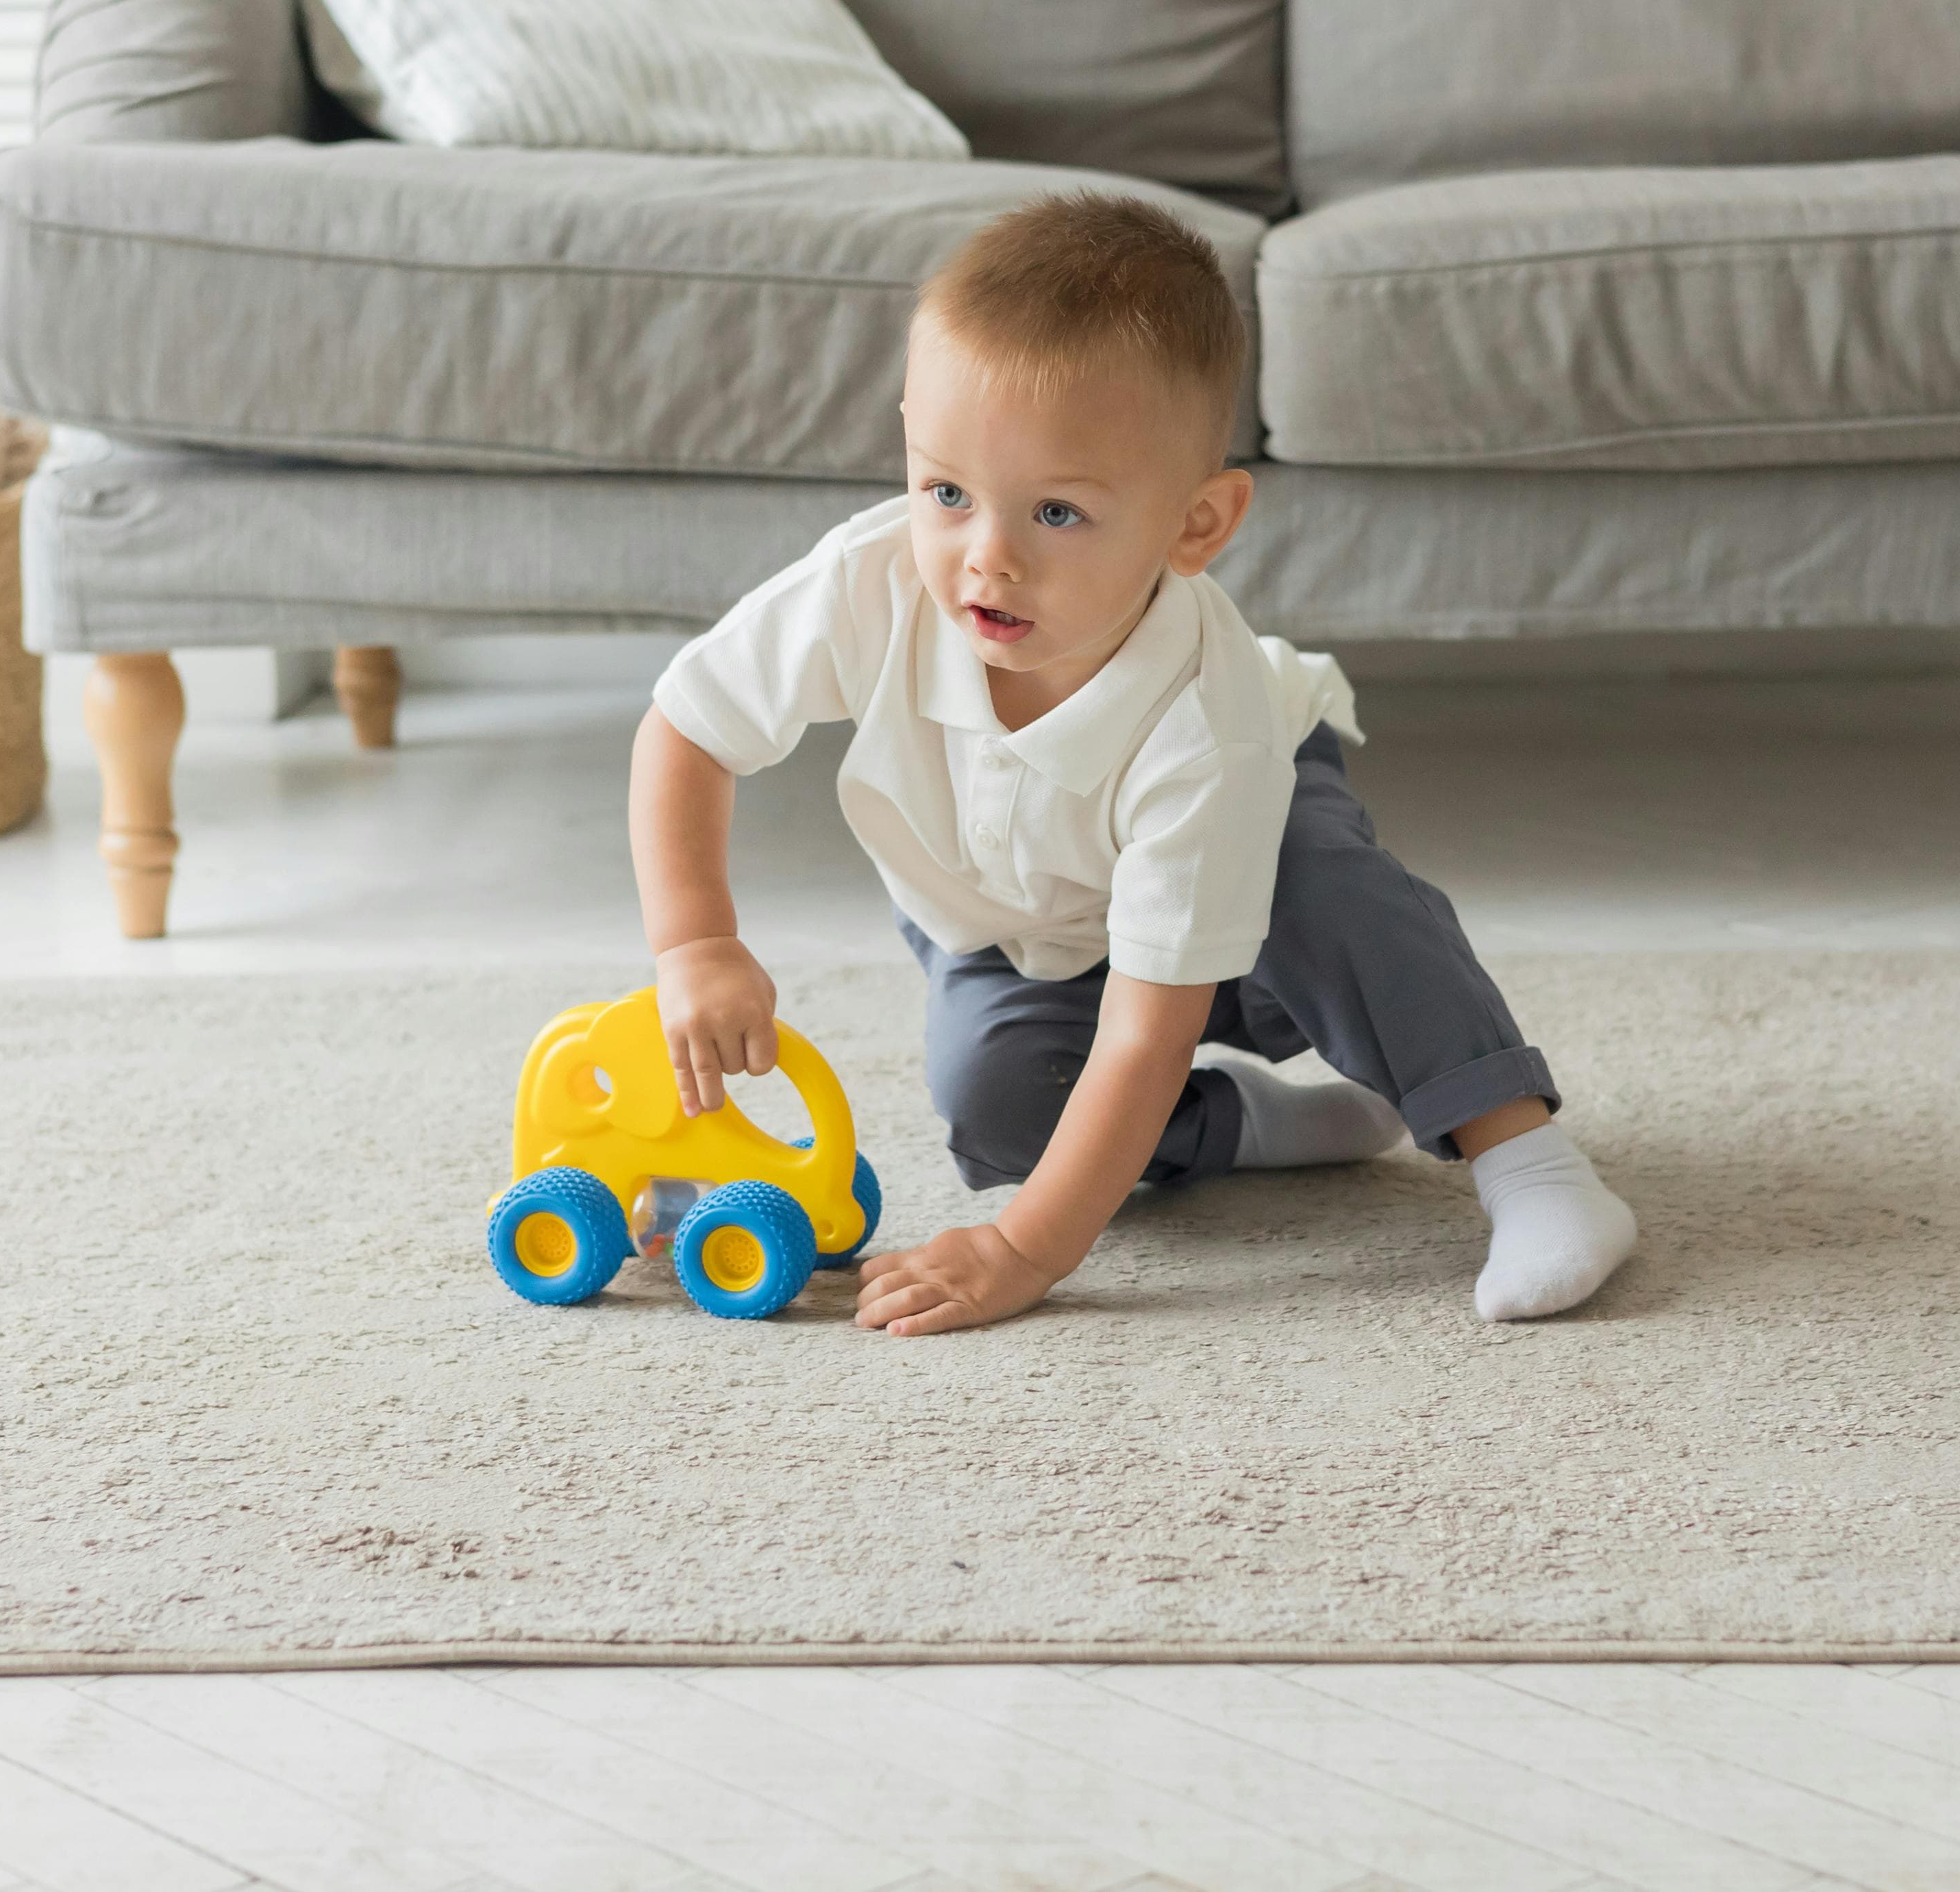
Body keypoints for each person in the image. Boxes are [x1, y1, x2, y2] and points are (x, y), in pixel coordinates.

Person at [628, 192, 1637, 1334]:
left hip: (1238, 864)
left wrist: (1024, 1249)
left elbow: (1148, 1026)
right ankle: (1256, 1129)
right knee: (1000, 1112)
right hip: (1019, 914)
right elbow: (688, 727)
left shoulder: (1210, 724)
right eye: (947, 493)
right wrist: (696, 941)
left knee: (1334, 903)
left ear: (1196, 525)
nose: (985, 558)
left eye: (1057, 512)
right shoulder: (869, 585)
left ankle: (1530, 1162)